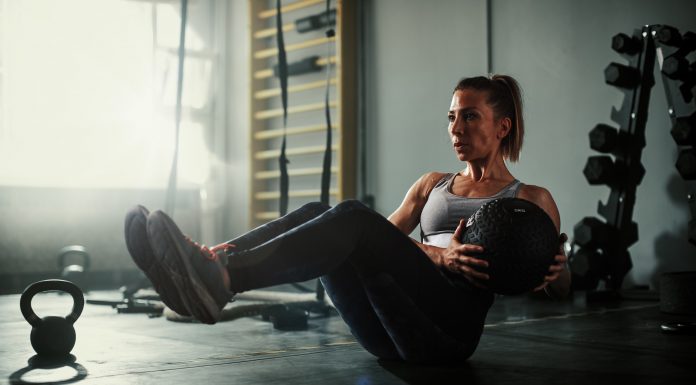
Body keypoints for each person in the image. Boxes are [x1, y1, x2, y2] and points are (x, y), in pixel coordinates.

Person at [125, 74, 569, 364]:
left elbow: (559, 288)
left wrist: (558, 269)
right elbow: (381, 242)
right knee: (328, 215)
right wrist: (438, 255)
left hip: (446, 334)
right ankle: (213, 262)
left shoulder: (529, 200)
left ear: (502, 127)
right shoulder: (431, 184)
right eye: (452, 117)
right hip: (385, 330)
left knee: (353, 216)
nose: (456, 128)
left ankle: (220, 278)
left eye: (470, 117)